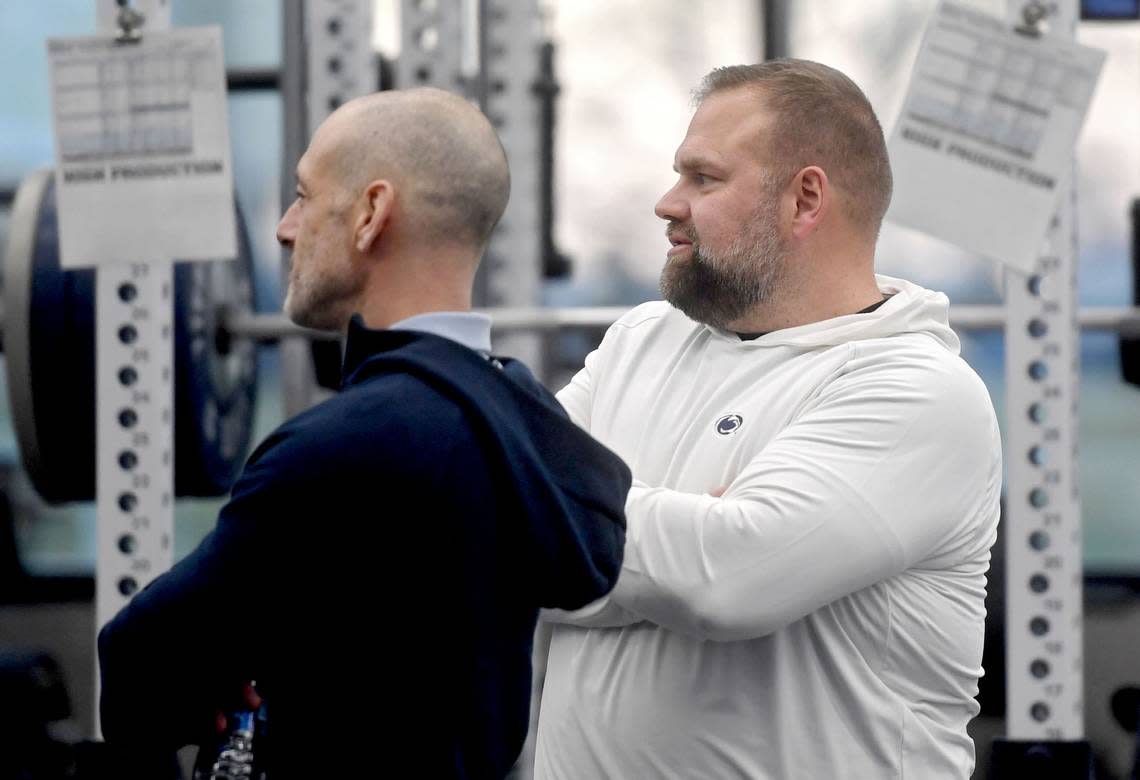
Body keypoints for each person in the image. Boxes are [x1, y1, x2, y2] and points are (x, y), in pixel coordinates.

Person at [97, 88, 631, 779]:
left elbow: (144, 673)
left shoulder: (339, 447)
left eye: (304, 195)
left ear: (372, 214)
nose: (287, 227)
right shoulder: (530, 428)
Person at [532, 60, 1002, 779]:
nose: (667, 203)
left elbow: (722, 584)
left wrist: (600, 540)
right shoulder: (640, 341)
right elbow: (501, 542)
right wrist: (682, 536)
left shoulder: (919, 391)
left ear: (805, 199)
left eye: (704, 178)